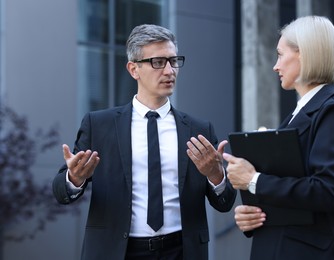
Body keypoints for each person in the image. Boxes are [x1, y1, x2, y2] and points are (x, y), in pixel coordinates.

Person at [52, 24, 236, 260]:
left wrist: (216, 176)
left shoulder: (199, 130)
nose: (169, 71)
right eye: (158, 62)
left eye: (173, 61)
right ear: (133, 69)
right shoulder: (99, 125)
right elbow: (60, 192)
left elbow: (224, 202)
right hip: (118, 252)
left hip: (181, 251)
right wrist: (75, 179)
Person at [223, 16, 334, 260]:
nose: (275, 66)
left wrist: (253, 179)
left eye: (280, 54)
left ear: (305, 54)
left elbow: (327, 191)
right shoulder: (298, 116)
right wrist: (252, 216)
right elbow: (290, 195)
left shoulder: (332, 111)